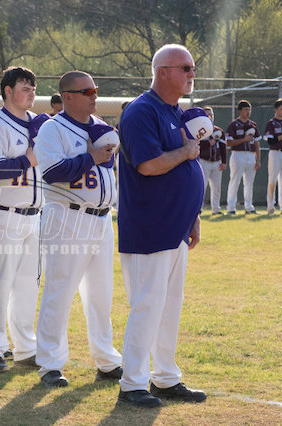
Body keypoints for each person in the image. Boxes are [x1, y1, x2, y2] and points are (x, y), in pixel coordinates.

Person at [117, 44, 207, 408]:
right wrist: (186, 152)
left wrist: (193, 215)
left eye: (192, 67)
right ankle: (132, 384)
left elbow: (183, 172)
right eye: (185, 68)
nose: (191, 74)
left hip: (176, 226)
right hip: (150, 227)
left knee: (169, 307)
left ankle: (166, 378)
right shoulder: (142, 111)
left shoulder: (174, 110)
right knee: (147, 306)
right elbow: (149, 164)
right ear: (162, 71)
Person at [34, 71, 122, 386]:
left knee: (101, 295)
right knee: (59, 291)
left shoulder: (100, 126)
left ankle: (107, 360)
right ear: (67, 97)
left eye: (95, 90)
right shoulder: (52, 128)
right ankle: (50, 364)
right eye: (86, 91)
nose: (94, 95)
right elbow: (52, 172)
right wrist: (90, 157)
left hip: (102, 219)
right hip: (68, 217)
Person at [0, 66, 42, 372]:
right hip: (1, 214)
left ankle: (26, 347)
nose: (31, 94)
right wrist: (26, 160)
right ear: (8, 91)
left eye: (33, 89)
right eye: (25, 88)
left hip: (33, 216)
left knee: (28, 286)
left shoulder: (39, 125)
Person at [226, 100, 261, 214]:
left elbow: (257, 143)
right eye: (246, 109)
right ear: (239, 111)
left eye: (249, 109)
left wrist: (258, 159)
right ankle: (231, 208)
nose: (248, 112)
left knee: (249, 183)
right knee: (235, 181)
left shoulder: (253, 125)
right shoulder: (233, 124)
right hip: (238, 154)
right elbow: (229, 142)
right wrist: (244, 139)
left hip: (251, 155)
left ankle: (249, 207)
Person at [199, 107, 227, 215]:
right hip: (204, 161)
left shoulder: (219, 131)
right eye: (206, 115)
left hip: (216, 162)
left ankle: (216, 209)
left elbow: (223, 147)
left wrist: (224, 162)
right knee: (202, 186)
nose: (209, 117)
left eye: (211, 115)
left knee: (216, 187)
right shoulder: (200, 130)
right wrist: (207, 143)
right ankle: (198, 208)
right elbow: (195, 144)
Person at [264, 98, 282, 214]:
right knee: (272, 179)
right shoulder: (271, 123)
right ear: (275, 109)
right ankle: (271, 206)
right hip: (275, 153)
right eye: (281, 109)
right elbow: (270, 141)